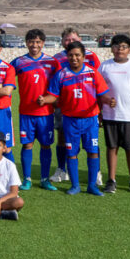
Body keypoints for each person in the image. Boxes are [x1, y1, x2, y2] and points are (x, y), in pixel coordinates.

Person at [39, 41, 113, 196]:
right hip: (70, 120)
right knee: (71, 153)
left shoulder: (92, 73)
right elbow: (53, 95)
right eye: (71, 55)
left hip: (90, 120)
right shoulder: (61, 74)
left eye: (77, 55)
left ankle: (92, 185)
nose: (74, 58)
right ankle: (75, 186)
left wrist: (108, 100)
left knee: (92, 151)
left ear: (83, 56)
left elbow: (102, 93)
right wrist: (45, 100)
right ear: (67, 56)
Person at [98, 34, 130, 194]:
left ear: (129, 49)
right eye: (116, 46)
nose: (120, 49)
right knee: (111, 147)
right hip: (110, 115)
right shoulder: (104, 67)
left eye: (123, 47)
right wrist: (100, 111)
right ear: (111, 48)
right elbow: (98, 91)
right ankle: (111, 180)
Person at [51, 27, 102, 183]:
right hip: (65, 104)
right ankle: (61, 169)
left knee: (92, 140)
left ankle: (97, 172)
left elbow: (98, 78)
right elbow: (54, 81)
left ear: (80, 40)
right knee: (62, 136)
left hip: (88, 105)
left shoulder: (91, 57)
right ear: (62, 42)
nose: (70, 42)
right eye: (67, 39)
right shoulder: (57, 58)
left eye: (73, 39)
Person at [12, 28, 60, 191]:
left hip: (46, 113)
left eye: (38, 42)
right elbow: (7, 78)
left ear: (43, 43)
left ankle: (45, 179)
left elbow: (58, 85)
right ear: (26, 43)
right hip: (26, 113)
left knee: (46, 145)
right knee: (27, 145)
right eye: (31, 42)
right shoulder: (18, 62)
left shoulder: (52, 62)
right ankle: (27, 179)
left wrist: (49, 99)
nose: (34, 45)